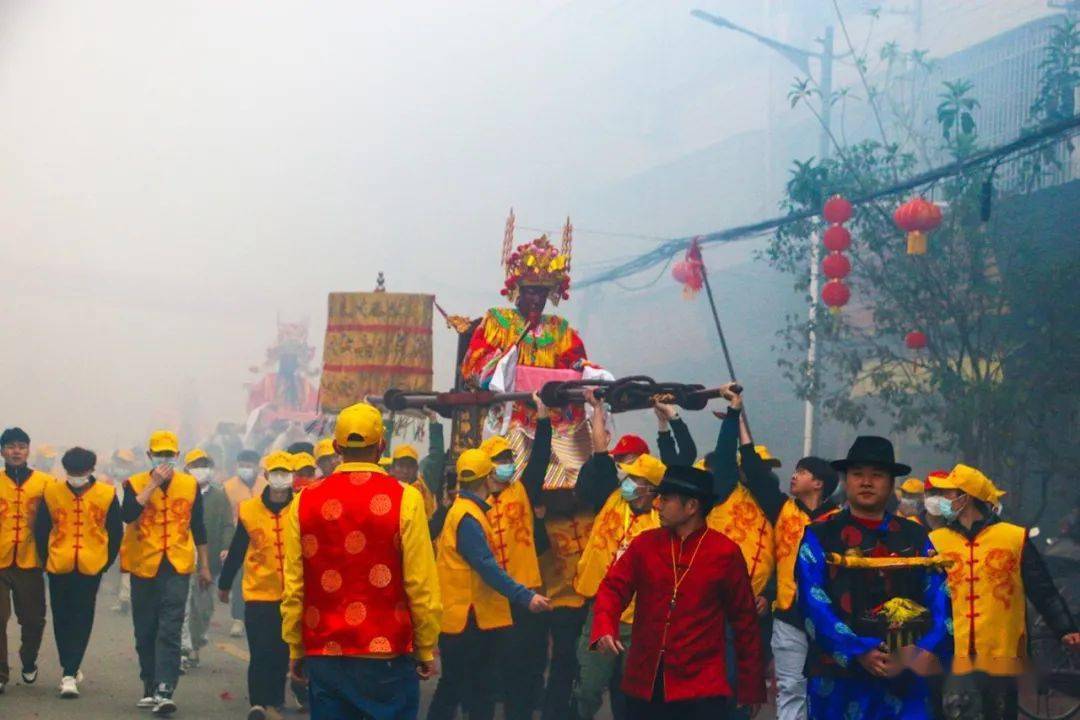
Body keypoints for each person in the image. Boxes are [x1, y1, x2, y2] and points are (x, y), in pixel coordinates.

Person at [281, 402, 442, 720]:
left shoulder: (303, 502)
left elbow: (294, 586)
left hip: (325, 651)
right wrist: (425, 646)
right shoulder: (406, 498)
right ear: (381, 447)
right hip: (387, 654)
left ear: (337, 447)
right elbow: (420, 582)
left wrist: (295, 647)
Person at [590, 464, 766, 719]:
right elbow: (613, 587)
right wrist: (605, 626)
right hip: (644, 680)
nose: (657, 505)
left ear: (692, 506)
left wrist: (751, 688)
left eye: (666, 499)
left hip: (701, 687)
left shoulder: (724, 552)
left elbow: (744, 621)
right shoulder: (645, 544)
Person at [795, 436, 952, 720]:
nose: (866, 482)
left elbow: (941, 598)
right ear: (846, 480)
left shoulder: (916, 536)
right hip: (838, 676)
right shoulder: (820, 534)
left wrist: (922, 651)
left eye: (877, 475)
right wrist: (859, 650)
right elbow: (812, 602)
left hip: (905, 676)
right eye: (857, 475)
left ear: (891, 484)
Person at [926, 464, 1079, 720]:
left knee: (998, 712)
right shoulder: (935, 541)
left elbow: (1043, 590)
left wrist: (1066, 628)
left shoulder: (1013, 538)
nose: (940, 499)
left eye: (948, 493)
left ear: (967, 497)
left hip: (1001, 651)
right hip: (949, 650)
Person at [722, 390, 839, 720]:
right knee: (789, 686)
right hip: (787, 614)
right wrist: (739, 414)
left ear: (818, 483)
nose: (793, 475)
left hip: (828, 615)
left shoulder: (839, 522)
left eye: (801, 472)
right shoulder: (781, 508)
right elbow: (756, 471)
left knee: (826, 684)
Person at [427, 448, 552, 720]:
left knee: (471, 689)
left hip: (465, 619)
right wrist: (526, 597)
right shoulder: (469, 517)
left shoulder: (463, 511)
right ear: (487, 479)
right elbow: (487, 568)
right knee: (461, 689)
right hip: (466, 621)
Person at [572, 393, 663, 720]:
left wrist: (665, 421)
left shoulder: (664, 520)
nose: (625, 476)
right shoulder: (610, 496)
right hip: (602, 613)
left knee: (633, 693)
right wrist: (597, 408)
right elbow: (598, 451)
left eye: (635, 476)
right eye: (625, 469)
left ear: (652, 487)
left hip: (640, 619)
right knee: (587, 687)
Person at [121, 430, 213, 715]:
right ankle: (149, 684)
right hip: (143, 564)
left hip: (176, 564)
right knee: (145, 628)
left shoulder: (189, 485)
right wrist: (151, 486)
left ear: (177, 456)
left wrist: (205, 565)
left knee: (171, 626)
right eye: (159, 454)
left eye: (169, 455)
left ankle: (165, 687)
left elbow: (198, 525)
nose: (164, 459)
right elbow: (127, 514)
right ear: (149, 456)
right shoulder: (134, 483)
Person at [33, 447, 122, 698]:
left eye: (80, 472)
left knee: (83, 616)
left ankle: (69, 673)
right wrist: (46, 558)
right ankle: (69, 667)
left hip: (90, 565)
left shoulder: (106, 494)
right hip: (58, 564)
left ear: (91, 470)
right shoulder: (51, 492)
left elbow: (115, 531)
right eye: (71, 472)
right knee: (62, 617)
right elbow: (42, 529)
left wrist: (106, 561)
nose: (76, 476)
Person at [219, 450, 296, 720]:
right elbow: (238, 547)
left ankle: (275, 699)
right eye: (275, 473)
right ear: (266, 476)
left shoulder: (302, 508)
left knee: (281, 650)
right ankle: (258, 703)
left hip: (294, 594)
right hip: (259, 592)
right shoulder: (250, 510)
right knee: (261, 649)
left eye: (285, 473)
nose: (280, 478)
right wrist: (225, 584)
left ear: (292, 477)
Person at [0, 426, 55, 693]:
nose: (16, 451)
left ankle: (29, 659)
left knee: (33, 620)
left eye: (21, 446)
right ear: (2, 451)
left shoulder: (46, 483)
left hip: (31, 560)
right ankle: (0, 673)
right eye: (10, 446)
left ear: (28, 450)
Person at [181, 448, 233, 670]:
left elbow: (228, 525)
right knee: (184, 607)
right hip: (182, 559)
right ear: (186, 469)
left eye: (204, 465)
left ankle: (196, 639)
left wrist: (226, 547)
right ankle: (186, 649)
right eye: (195, 465)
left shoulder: (219, 496)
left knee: (203, 608)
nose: (200, 470)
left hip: (208, 563)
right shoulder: (180, 493)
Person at [223, 449, 266, 637]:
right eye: (242, 465)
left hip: (263, 540)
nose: (245, 469)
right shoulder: (227, 487)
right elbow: (225, 518)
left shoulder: (266, 486)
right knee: (240, 580)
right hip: (237, 539)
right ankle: (238, 619)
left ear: (257, 467)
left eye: (249, 465)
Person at [388, 445, 438, 519]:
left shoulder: (422, 492)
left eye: (410, 466)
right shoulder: (385, 489)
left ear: (416, 469)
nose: (405, 471)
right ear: (392, 468)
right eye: (401, 466)